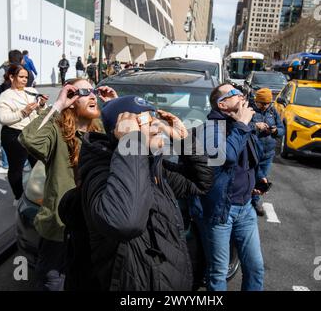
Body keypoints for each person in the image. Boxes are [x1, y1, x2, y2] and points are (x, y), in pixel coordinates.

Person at [58, 95, 213, 291]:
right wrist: (131, 143)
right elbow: (125, 222)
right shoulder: (100, 175)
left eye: (155, 118)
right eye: (148, 122)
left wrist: (185, 141)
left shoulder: (152, 166)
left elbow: (201, 183)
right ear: (124, 131)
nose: (158, 127)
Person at [20, 80, 117, 291]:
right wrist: (58, 105)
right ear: (71, 99)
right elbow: (30, 140)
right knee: (54, 283)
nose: (92, 95)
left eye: (94, 91)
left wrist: (113, 107)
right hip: (60, 228)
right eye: (84, 92)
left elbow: (128, 143)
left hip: (94, 225)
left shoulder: (101, 129)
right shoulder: (57, 130)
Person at [197, 83, 265, 291]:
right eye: (235, 93)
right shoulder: (211, 129)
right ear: (223, 104)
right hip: (220, 212)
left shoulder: (240, 125)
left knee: (255, 268)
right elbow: (226, 156)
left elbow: (254, 156)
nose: (242, 95)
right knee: (218, 272)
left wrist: (257, 179)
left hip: (245, 209)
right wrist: (243, 124)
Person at [0, 64, 48, 206]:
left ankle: (40, 193)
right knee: (16, 168)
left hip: (33, 133)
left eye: (26, 77)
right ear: (11, 77)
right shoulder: (6, 96)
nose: (25, 80)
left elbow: (43, 113)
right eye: (21, 77)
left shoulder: (31, 91)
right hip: (13, 135)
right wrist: (23, 112)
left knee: (40, 165)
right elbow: (3, 118)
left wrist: (42, 105)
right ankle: (18, 196)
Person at [250, 88, 284, 216]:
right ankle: (246, 200)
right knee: (249, 177)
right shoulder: (250, 111)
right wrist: (256, 126)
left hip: (267, 154)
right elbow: (244, 126)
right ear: (256, 101)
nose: (264, 106)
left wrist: (275, 131)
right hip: (252, 153)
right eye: (262, 103)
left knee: (262, 179)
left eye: (267, 103)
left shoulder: (272, 112)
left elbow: (282, 130)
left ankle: (255, 202)